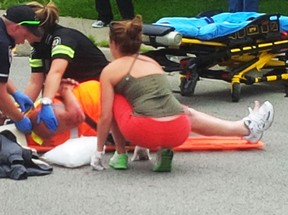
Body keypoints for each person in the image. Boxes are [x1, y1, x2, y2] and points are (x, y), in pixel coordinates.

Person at [90, 15, 274, 172]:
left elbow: (105, 116)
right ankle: (245, 128)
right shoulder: (152, 63)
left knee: (115, 97)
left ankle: (121, 156)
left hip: (142, 130)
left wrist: (98, 152)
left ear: (113, 44)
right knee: (173, 107)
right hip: (178, 131)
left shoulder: (111, 70)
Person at [8, 2, 109, 133]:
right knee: (36, 120)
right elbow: (34, 83)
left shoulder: (63, 38)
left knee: (48, 121)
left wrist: (46, 102)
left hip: (98, 89)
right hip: (75, 92)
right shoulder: (38, 47)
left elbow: (56, 72)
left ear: (27, 28)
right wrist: (16, 111)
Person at [0, 79, 101, 148]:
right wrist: (64, 89)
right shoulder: (36, 122)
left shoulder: (31, 117)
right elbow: (76, 116)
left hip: (103, 96)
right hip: (102, 102)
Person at [0, 4, 45, 134]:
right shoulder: (2, 45)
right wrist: (19, 118)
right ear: (16, 28)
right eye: (25, 36)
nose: (23, 42)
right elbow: (1, 96)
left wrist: (15, 93)